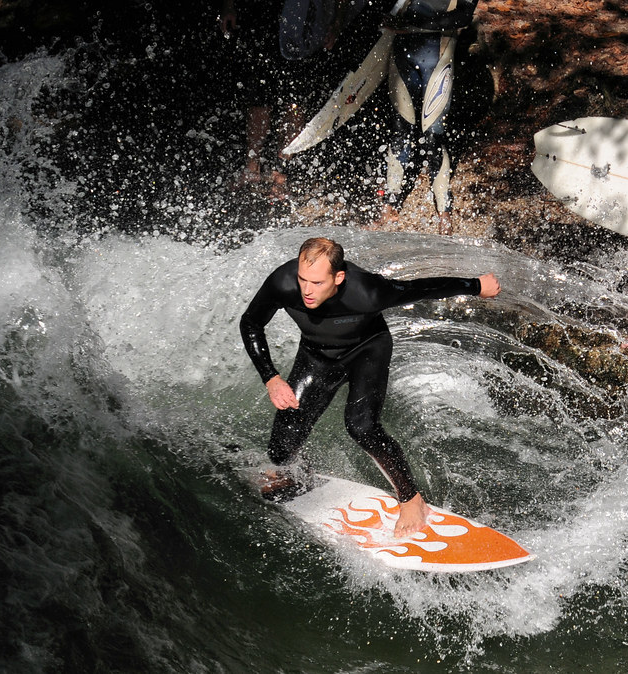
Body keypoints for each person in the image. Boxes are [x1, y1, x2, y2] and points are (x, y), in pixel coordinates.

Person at [239, 237, 501, 536]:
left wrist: (476, 286)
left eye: (316, 282)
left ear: (338, 277)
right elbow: (250, 323)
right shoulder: (282, 283)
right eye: (302, 279)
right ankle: (300, 470)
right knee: (280, 452)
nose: (307, 291)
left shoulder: (368, 291)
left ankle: (412, 500)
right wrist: (271, 378)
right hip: (317, 356)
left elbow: (423, 288)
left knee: (361, 426)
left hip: (367, 351)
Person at [374, 0, 478, 235]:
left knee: (434, 137)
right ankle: (389, 204)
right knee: (400, 130)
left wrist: (414, 24)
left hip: (438, 56)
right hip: (402, 55)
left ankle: (444, 210)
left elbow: (463, 17)